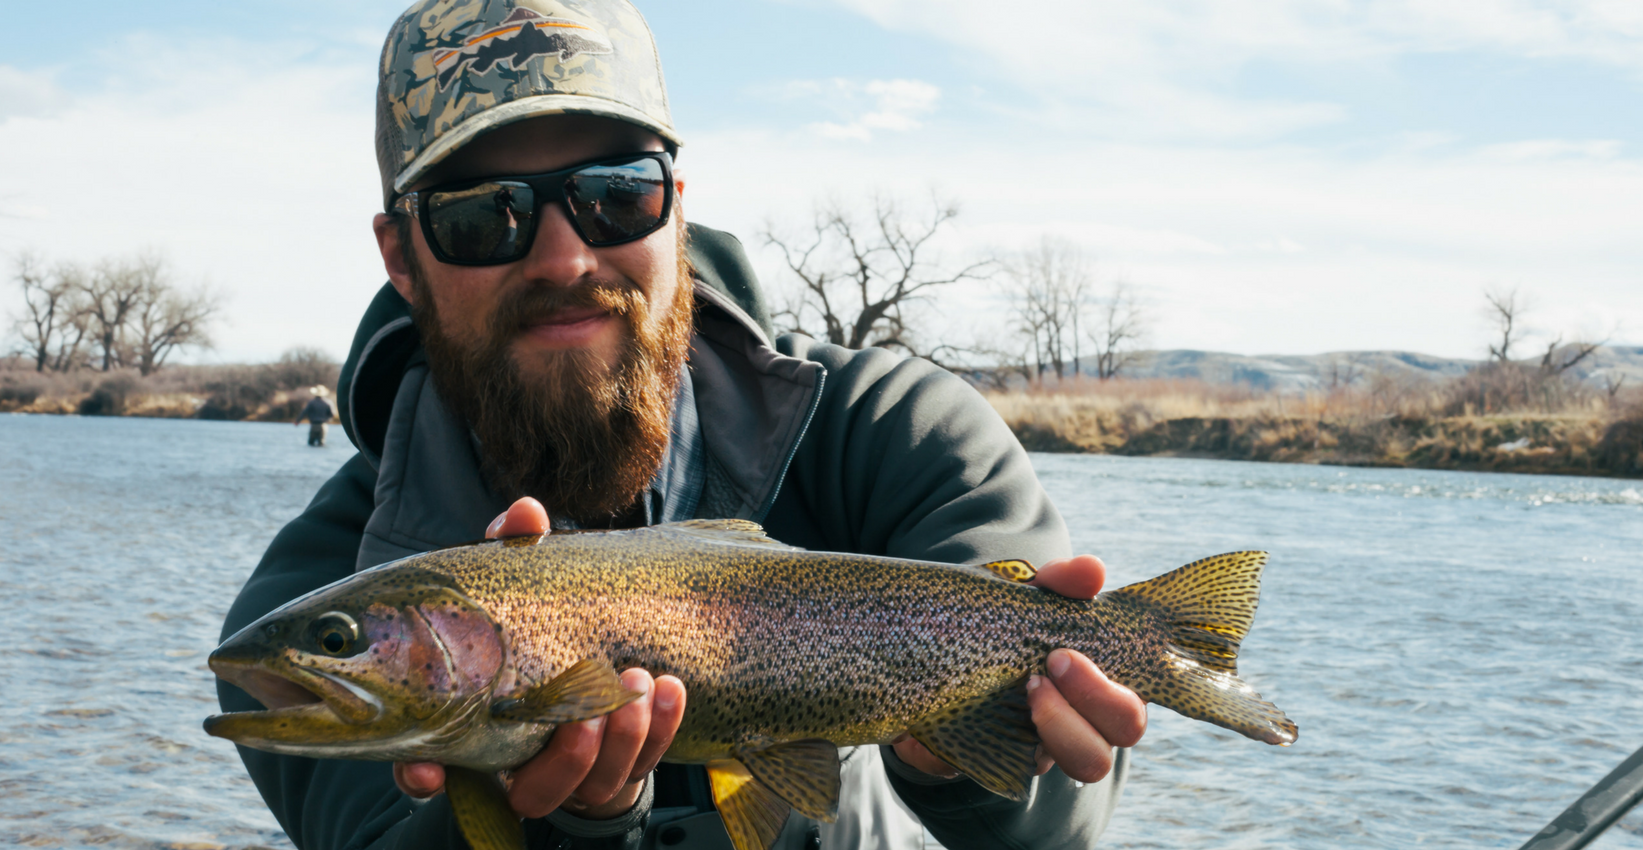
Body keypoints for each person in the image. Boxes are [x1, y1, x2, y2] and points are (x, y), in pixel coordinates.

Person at [216, 1, 1149, 848]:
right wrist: (558, 819)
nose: (564, 258)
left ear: (676, 209)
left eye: (617, 192)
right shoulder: (310, 589)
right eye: (480, 216)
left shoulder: (896, 433)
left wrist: (972, 755)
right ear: (401, 257)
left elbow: (1060, 828)